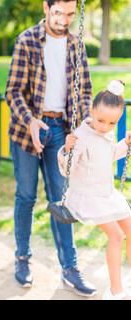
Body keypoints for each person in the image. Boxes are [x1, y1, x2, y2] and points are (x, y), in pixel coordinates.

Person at [5, 0, 96, 296]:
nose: (65, 20)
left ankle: (70, 268)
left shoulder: (76, 44)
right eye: (59, 13)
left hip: (61, 131)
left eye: (71, 14)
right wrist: (31, 121)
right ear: (46, 8)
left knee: (61, 199)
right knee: (26, 195)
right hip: (28, 128)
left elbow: (85, 93)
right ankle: (22, 259)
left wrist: (81, 129)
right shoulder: (27, 40)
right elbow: (13, 90)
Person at [58, 80, 131, 300]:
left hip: (106, 195)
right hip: (86, 197)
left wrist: (125, 145)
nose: (105, 127)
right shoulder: (80, 136)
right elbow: (66, 170)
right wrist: (66, 149)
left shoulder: (107, 131)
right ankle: (115, 291)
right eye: (101, 120)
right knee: (116, 235)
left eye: (112, 123)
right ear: (91, 111)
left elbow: (107, 156)